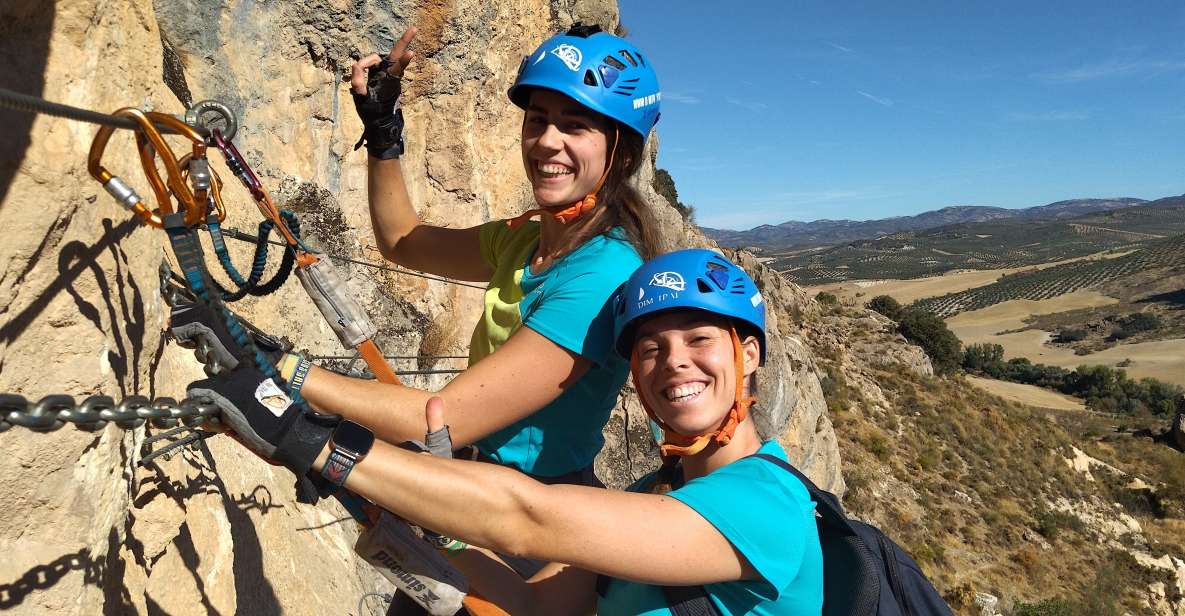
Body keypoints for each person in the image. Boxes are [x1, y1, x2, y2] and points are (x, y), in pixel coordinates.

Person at [191, 249, 825, 615]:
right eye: (651, 348)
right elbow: (536, 607)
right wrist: (440, 518)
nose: (674, 362)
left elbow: (530, 519)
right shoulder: (650, 494)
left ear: (749, 353)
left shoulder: (767, 504)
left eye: (699, 339)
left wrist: (310, 439)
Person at [172, 22, 664, 489]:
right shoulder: (526, 238)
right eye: (538, 120)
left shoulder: (605, 274)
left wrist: (283, 368)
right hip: (473, 476)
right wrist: (383, 131)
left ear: (621, 152)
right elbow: (402, 240)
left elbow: (442, 419)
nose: (546, 142)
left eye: (575, 126)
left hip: (533, 508)